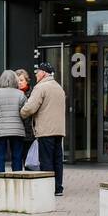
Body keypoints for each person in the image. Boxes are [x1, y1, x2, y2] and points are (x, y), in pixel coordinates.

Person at [20, 61, 66, 196]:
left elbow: (30, 107)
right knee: (57, 160)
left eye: (37, 72)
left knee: (46, 160)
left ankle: (48, 188)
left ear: (44, 73)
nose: (36, 75)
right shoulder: (59, 87)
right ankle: (58, 188)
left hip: (46, 130)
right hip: (59, 130)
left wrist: (21, 112)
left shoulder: (41, 87)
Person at [0, 70, 26, 173]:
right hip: (17, 130)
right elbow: (25, 112)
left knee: (0, 157)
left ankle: (2, 185)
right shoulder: (21, 94)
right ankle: (17, 183)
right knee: (17, 157)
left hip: (0, 130)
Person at [15, 68, 35, 168]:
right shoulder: (14, 94)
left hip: (29, 131)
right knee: (17, 158)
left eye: (21, 80)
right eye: (17, 80)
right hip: (17, 131)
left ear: (27, 81)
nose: (19, 83)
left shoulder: (33, 93)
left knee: (29, 159)